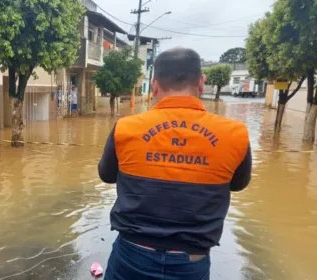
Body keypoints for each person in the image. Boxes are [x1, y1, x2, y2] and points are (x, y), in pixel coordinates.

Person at [98, 47, 251, 280]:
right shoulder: (235, 134)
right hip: (192, 262)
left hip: (132, 256)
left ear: (155, 84)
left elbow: (106, 175)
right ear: (201, 82)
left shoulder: (126, 128)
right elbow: (238, 184)